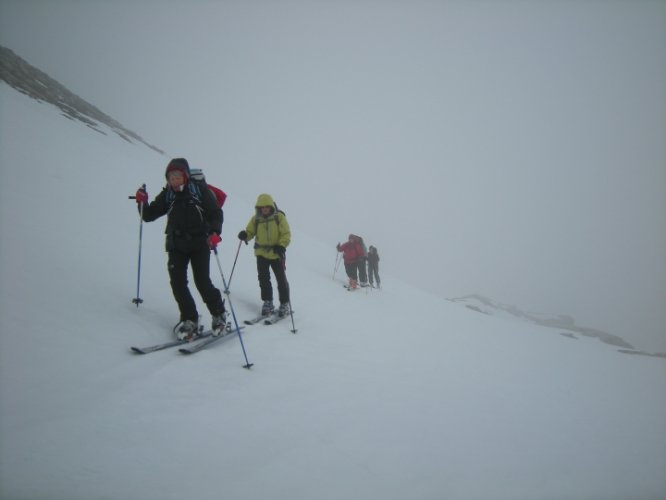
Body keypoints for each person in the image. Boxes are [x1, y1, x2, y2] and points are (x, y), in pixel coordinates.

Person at [133, 158, 227, 339]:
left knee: (202, 282)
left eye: (177, 177)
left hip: (200, 243)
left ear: (185, 176)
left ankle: (219, 314)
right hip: (176, 244)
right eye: (170, 177)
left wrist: (214, 232)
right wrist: (141, 203)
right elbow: (149, 215)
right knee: (177, 284)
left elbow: (215, 212)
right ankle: (189, 318)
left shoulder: (199, 191)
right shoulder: (168, 195)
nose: (174, 181)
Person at [238, 194, 292, 317]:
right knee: (263, 279)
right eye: (262, 207)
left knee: (281, 280)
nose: (264, 209)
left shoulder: (279, 217)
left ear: (271, 206)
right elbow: (250, 231)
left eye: (266, 206)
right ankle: (268, 302)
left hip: (276, 253)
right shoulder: (256, 219)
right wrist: (245, 235)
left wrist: (282, 245)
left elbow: (286, 233)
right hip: (261, 254)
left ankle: (284, 303)